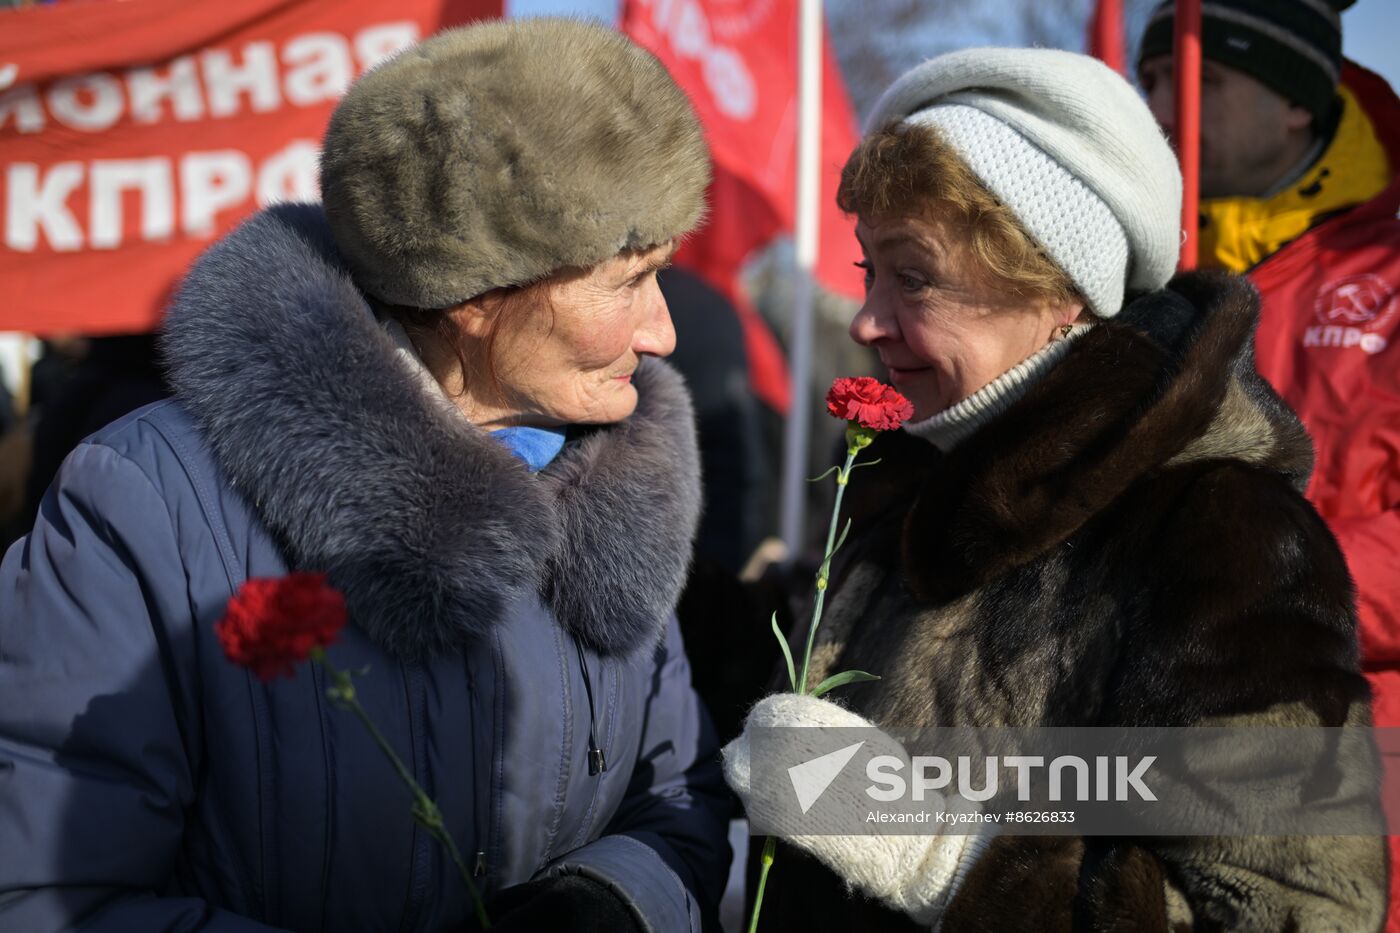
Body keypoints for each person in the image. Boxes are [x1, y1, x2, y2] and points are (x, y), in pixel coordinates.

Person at [0, 19, 730, 933]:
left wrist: (614, 900)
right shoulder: (146, 502)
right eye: (627, 282)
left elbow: (680, 793)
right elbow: (49, 894)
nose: (662, 332)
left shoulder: (618, 485)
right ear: (472, 294)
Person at [721, 47, 1386, 930]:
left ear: (1060, 289)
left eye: (913, 276)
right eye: (866, 272)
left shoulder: (1220, 537)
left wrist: (943, 859)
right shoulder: (913, 482)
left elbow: (1300, 912)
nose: (867, 319)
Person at [1139, 3, 1400, 925]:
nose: (1164, 106)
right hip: (1141, 770)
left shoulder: (1390, 270)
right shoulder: (1129, 270)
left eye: (1201, 82)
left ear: (1298, 102)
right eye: (1156, 78)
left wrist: (1247, 590)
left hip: (1352, 782)